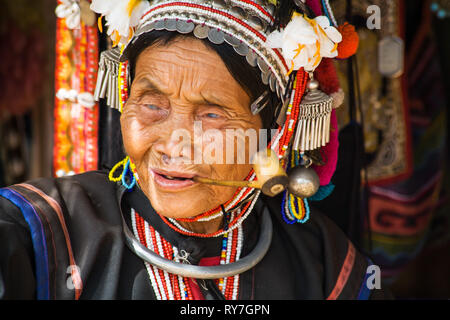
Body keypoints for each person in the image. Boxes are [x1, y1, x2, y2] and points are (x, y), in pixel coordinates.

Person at [0, 0, 391, 299]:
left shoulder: (323, 265)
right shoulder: (38, 233)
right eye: (152, 105)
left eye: (211, 115)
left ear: (276, 131)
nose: (173, 144)